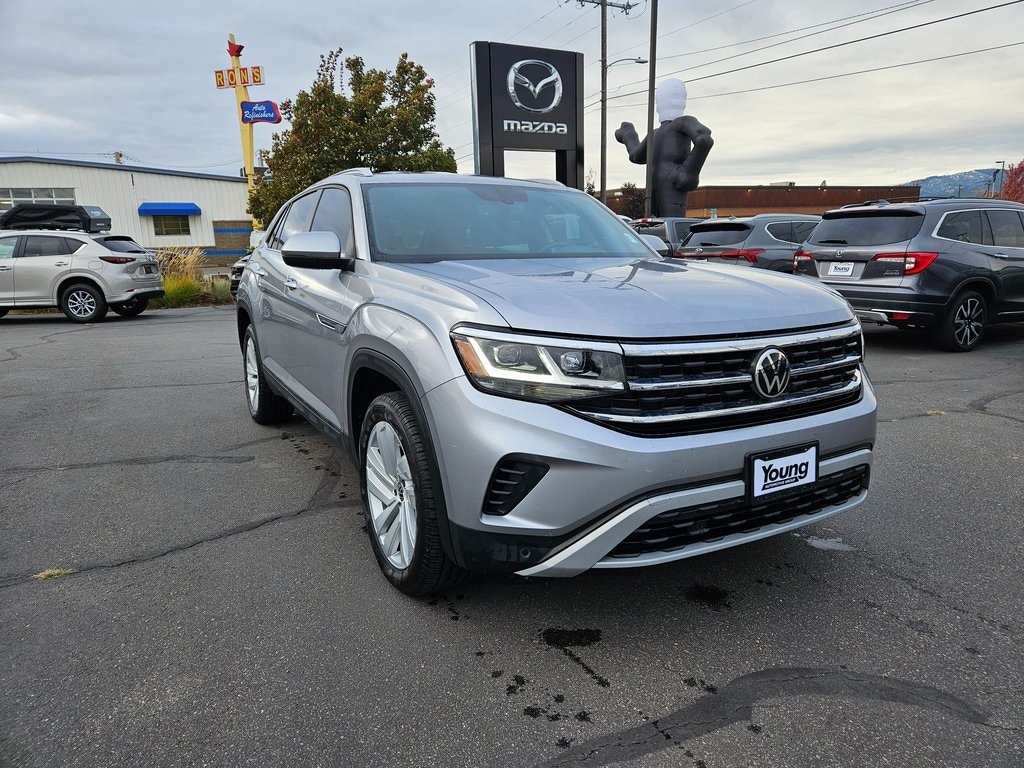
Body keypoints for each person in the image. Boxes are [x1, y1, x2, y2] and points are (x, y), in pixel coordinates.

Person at [615, 78, 714, 217]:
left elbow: (635, 155)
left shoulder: (658, 132)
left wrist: (628, 134)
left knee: (657, 225)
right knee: (671, 227)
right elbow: (703, 139)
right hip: (670, 183)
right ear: (683, 101)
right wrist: (687, 173)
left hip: (654, 184)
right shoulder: (679, 124)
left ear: (658, 104)